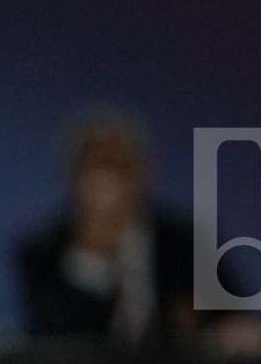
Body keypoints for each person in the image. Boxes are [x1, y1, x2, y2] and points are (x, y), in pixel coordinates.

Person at [15, 109, 199, 346]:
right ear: (70, 178)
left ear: (144, 173)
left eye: (118, 166)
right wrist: (92, 254)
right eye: (95, 167)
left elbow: (232, 319)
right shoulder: (41, 250)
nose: (107, 182)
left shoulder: (186, 241)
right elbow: (55, 339)